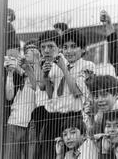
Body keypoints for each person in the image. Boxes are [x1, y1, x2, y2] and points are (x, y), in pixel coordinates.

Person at [33, 29, 96, 158]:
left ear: (83, 49)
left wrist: (64, 69)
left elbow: (77, 92)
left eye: (73, 47)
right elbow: (51, 94)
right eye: (65, 47)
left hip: (71, 117)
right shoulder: (57, 64)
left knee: (70, 154)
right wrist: (45, 76)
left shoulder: (87, 65)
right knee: (49, 153)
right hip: (52, 117)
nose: (69, 51)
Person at [3, 40, 41, 159]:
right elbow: (9, 96)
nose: (28, 52)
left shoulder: (42, 71)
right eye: (26, 50)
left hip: (31, 125)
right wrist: (10, 74)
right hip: (13, 122)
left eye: (32, 49)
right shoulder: (20, 74)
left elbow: (37, 86)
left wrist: (27, 67)